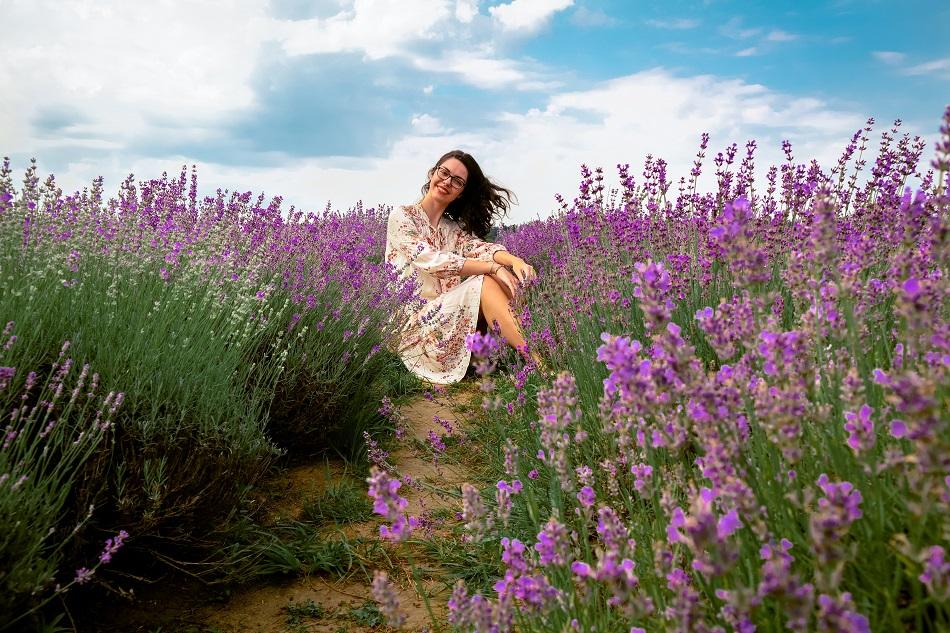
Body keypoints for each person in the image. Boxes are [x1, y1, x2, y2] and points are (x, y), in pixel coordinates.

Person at [385, 149, 538, 384]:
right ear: (431, 173)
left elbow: (480, 248)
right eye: (444, 173)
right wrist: (492, 268)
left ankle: (529, 349)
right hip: (415, 327)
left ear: (460, 193)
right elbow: (434, 262)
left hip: (447, 321)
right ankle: (540, 362)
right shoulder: (402, 217)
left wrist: (515, 262)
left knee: (504, 278)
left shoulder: (451, 229)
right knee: (487, 280)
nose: (447, 182)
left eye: (457, 181)